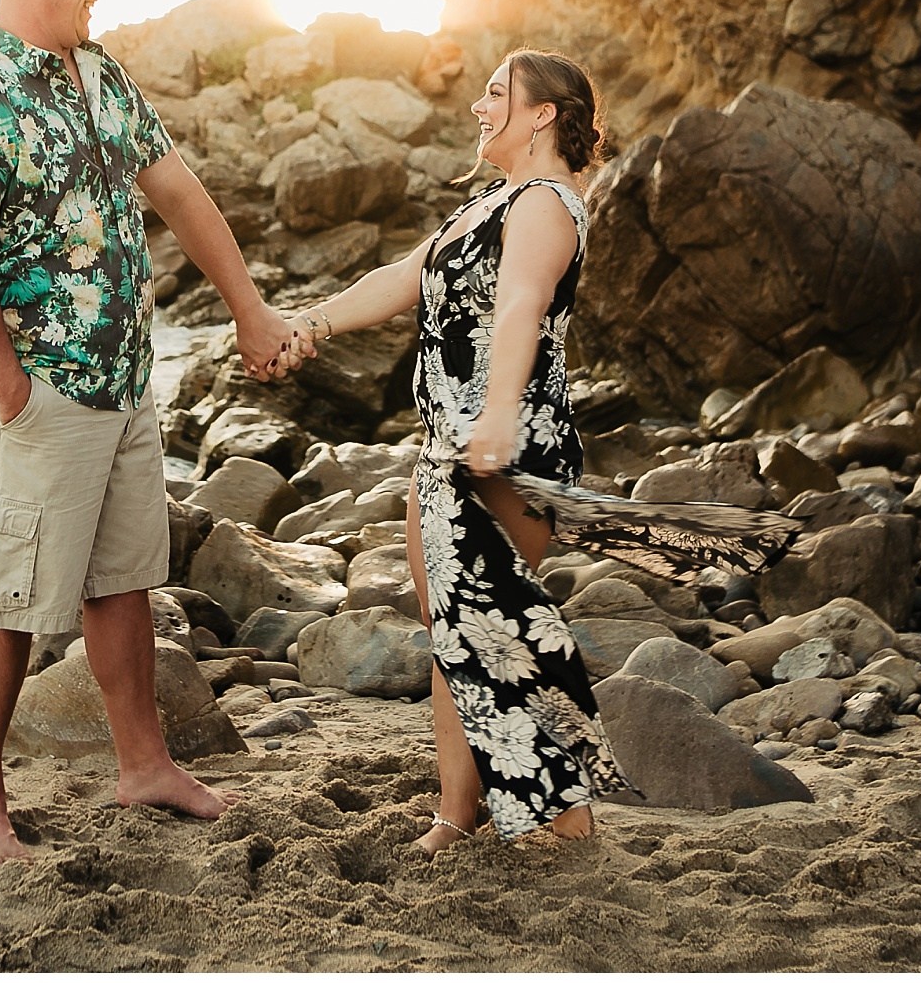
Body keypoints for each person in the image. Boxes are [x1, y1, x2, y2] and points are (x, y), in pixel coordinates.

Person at [273, 50, 797, 855]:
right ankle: (458, 811)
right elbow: (402, 275)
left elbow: (520, 307)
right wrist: (307, 323)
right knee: (453, 626)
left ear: (543, 113)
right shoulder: (492, 202)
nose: (479, 106)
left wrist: (496, 418)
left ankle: (570, 823)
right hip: (448, 440)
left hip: (506, 446)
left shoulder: (548, 205)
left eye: (495, 93)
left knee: (499, 628)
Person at [0, 0, 298, 863]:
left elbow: (177, 192)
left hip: (124, 384)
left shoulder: (98, 77)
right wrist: (6, 390)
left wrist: (248, 307)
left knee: (121, 583)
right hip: (38, 392)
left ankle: (144, 765)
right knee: (9, 600)